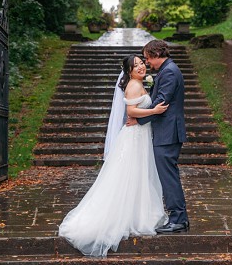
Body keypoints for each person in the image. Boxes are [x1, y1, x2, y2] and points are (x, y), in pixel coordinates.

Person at [58, 54, 169, 257]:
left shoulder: (139, 83)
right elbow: (131, 112)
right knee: (129, 175)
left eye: (142, 63)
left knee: (138, 175)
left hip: (141, 135)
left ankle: (138, 212)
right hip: (134, 138)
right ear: (129, 71)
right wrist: (154, 110)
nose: (141, 67)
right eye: (136, 66)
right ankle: (127, 215)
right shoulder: (134, 86)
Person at [127, 39, 189, 233]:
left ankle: (178, 219)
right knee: (168, 176)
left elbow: (162, 103)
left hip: (168, 132)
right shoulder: (165, 70)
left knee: (168, 177)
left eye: (147, 58)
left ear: (155, 55)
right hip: (165, 131)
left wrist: (139, 120)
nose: (146, 63)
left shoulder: (169, 71)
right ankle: (179, 218)